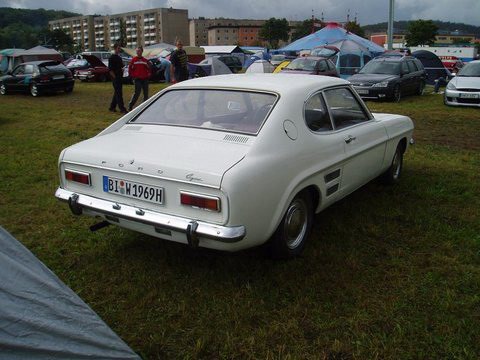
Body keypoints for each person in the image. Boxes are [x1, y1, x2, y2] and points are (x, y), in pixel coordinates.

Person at [128, 46, 151, 111]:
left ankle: (144, 107)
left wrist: (149, 73)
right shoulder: (133, 60)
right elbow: (130, 69)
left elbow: (149, 68)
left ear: (142, 52)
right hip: (137, 79)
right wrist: (132, 76)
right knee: (137, 93)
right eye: (137, 51)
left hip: (145, 79)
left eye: (139, 51)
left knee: (146, 94)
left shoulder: (145, 60)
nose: (138, 52)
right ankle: (131, 105)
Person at [108, 43, 127, 113]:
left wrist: (123, 69)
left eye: (120, 48)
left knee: (117, 92)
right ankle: (122, 108)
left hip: (120, 77)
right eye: (118, 48)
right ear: (115, 48)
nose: (119, 50)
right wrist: (115, 78)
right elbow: (110, 70)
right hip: (115, 78)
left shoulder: (119, 58)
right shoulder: (111, 58)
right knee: (119, 93)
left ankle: (112, 107)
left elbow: (122, 66)